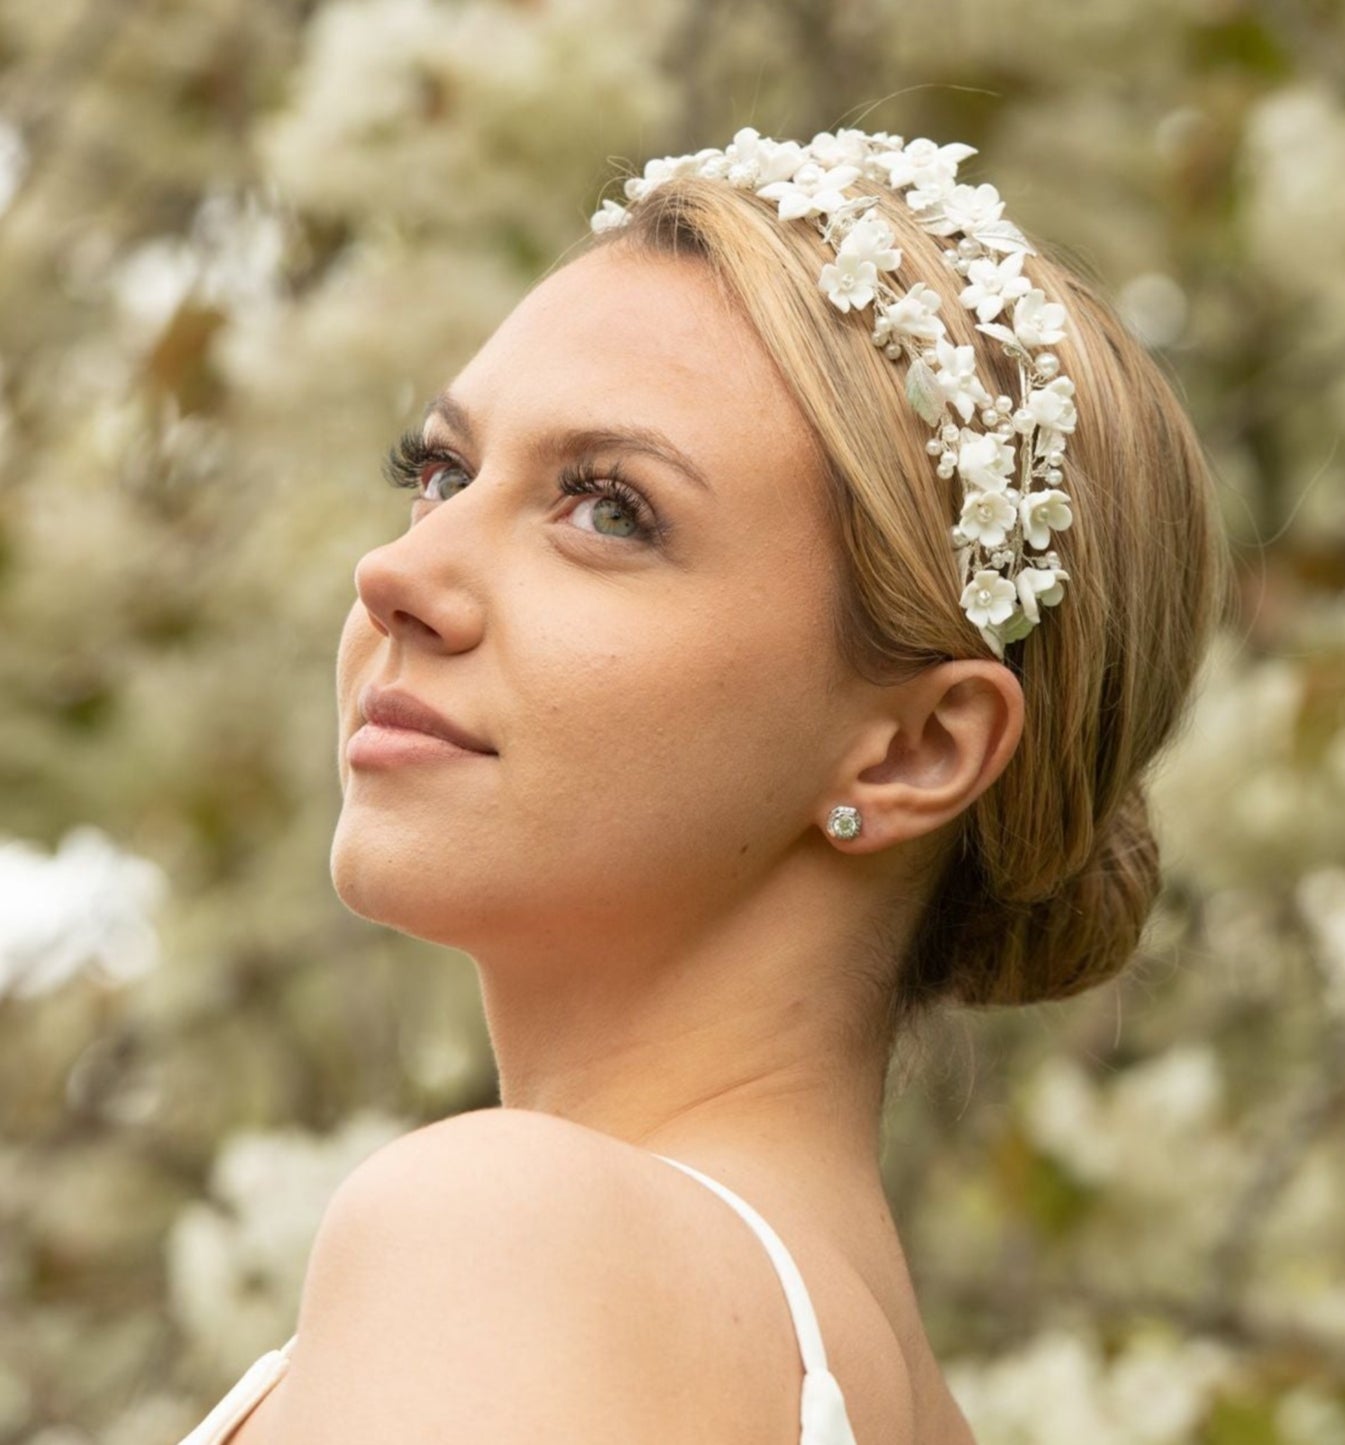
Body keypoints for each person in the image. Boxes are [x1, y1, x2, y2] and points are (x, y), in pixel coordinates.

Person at [177, 125, 1231, 1445]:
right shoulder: (885, 1391)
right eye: (437, 471)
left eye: (610, 509)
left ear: (913, 748)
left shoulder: (511, 1246)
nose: (396, 575)